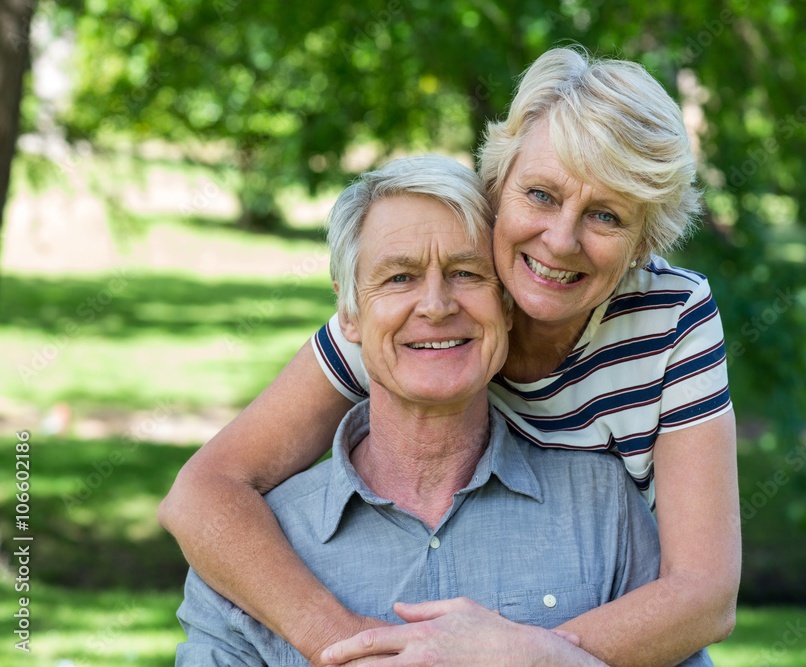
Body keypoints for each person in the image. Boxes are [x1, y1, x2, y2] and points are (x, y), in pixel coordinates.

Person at [160, 46, 739, 667]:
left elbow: (705, 593)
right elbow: (203, 492)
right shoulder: (413, 324)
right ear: (497, 187)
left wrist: (528, 657)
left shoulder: (668, 317)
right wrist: (351, 646)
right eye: (541, 195)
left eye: (605, 215)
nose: (561, 240)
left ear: (642, 243)